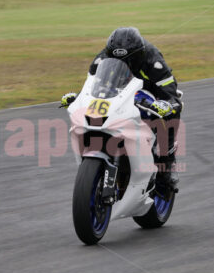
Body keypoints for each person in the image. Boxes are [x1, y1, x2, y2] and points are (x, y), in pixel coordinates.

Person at [61, 27, 182, 193]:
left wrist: (168, 104)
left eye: (129, 59)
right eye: (118, 58)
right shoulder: (103, 56)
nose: (124, 63)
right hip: (120, 89)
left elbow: (172, 94)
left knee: (170, 115)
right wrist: (79, 98)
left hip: (150, 91)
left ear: (138, 54)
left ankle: (167, 163)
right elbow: (90, 86)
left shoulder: (154, 61)